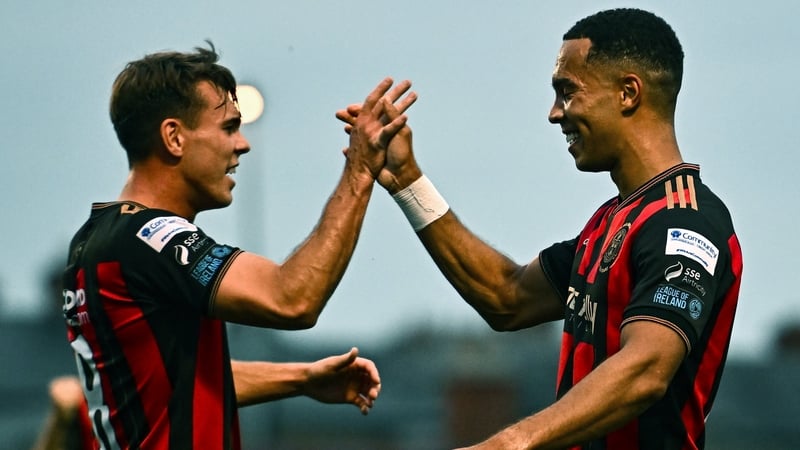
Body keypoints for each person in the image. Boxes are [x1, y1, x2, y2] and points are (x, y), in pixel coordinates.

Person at [340, 7, 742, 449]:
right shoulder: (610, 222)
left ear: (628, 93)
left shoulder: (687, 222)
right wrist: (407, 180)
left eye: (567, 92)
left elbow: (646, 370)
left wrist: (509, 443)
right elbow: (506, 297)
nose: (555, 113)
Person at [61, 42, 415, 449]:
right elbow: (293, 298)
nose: (242, 144)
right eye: (229, 127)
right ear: (174, 137)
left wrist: (303, 378)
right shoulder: (151, 238)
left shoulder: (97, 238)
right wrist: (361, 168)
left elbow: (171, 381)